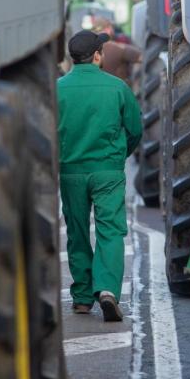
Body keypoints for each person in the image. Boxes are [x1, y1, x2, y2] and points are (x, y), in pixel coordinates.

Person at [57, 30, 143, 321]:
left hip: (71, 172)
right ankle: (107, 289)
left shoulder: (57, 88)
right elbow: (135, 129)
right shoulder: (117, 87)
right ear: (97, 56)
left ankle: (82, 297)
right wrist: (118, 156)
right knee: (110, 231)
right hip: (107, 171)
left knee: (77, 232)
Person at [92, 18, 141, 86]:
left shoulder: (85, 51)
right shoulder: (119, 48)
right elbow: (141, 57)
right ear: (108, 29)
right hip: (118, 92)